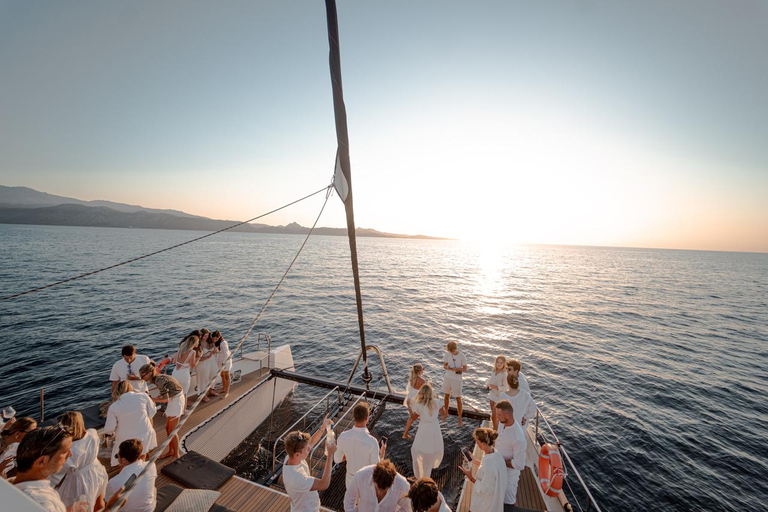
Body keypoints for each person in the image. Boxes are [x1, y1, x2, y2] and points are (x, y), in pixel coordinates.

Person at [15, 427, 123, 512]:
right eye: (65, 451)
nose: (70, 454)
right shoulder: (43, 502)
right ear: (42, 461)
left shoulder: (15, 486)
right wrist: (109, 508)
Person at [49, 412, 108, 510]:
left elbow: (57, 475)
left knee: (81, 507)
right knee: (99, 499)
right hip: (98, 471)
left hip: (81, 482)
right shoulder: (92, 433)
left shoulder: (71, 450)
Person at [283, 417, 337, 512]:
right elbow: (323, 484)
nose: (310, 449)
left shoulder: (290, 457)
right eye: (307, 449)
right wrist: (330, 455)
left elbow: (311, 442)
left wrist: (323, 427)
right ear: (297, 454)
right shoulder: (296, 477)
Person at [104, 381, 158, 466]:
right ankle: (140, 472)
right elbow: (152, 412)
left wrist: (109, 434)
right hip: (144, 433)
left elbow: (109, 429)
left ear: (117, 391)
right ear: (130, 388)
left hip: (125, 440)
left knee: (125, 463)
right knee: (142, 456)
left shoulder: (114, 406)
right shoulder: (143, 396)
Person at [139, 362, 184, 460]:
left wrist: (153, 399)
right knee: (168, 429)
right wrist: (159, 396)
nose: (142, 377)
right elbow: (167, 392)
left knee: (173, 431)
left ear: (150, 373)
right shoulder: (157, 378)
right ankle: (171, 451)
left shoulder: (159, 380)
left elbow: (166, 399)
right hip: (174, 399)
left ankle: (176, 455)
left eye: (143, 375)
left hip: (176, 401)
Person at [334, 402, 385, 487]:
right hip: (366, 481)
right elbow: (376, 468)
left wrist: (349, 454)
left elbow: (337, 459)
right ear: (367, 418)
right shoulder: (372, 442)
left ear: (354, 417)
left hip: (350, 480)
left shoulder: (343, 436)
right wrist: (382, 455)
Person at [458, 427, 507, 512]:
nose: (476, 443)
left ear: (483, 444)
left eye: (477, 441)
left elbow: (485, 490)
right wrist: (475, 461)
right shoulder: (495, 453)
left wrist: (470, 477)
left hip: (486, 505)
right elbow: (488, 466)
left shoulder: (489, 465)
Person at [106, 439, 157, 512]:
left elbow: (108, 504)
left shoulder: (113, 482)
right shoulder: (151, 466)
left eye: (118, 455)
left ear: (123, 460)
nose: (117, 456)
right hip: (149, 509)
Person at [343, 459, 412, 512]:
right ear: (373, 478)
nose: (380, 492)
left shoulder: (403, 485)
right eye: (377, 488)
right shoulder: (361, 476)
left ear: (393, 482)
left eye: (384, 490)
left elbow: (407, 509)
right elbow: (349, 499)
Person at [410, 383, 445, 479]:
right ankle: (426, 475)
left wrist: (410, 407)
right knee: (431, 451)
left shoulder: (420, 405)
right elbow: (444, 413)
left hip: (423, 429)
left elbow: (413, 417)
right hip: (435, 428)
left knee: (416, 450)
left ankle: (418, 476)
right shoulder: (437, 402)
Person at [494, 400, 526, 505]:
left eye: (499, 415)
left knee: (507, 502)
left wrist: (500, 461)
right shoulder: (502, 423)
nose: (496, 417)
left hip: (509, 476)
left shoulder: (518, 438)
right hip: (497, 469)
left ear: (507, 415)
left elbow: (520, 465)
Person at [441, 341, 467, 426]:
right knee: (446, 395)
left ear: (456, 349)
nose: (451, 352)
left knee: (458, 398)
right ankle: (446, 413)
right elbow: (444, 365)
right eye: (450, 351)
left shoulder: (462, 356)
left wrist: (457, 369)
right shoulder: (447, 354)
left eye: (452, 351)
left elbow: (465, 369)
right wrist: (447, 367)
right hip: (448, 377)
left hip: (457, 379)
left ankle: (459, 417)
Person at [172, 334, 199, 399]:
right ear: (194, 343)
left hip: (175, 373)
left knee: (176, 394)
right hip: (183, 375)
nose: (198, 343)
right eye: (197, 342)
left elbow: (174, 362)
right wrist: (199, 358)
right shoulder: (192, 352)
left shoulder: (180, 350)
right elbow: (192, 366)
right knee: (184, 394)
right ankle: (184, 409)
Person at [196, 329, 219, 402]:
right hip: (202, 363)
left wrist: (216, 351)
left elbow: (216, 350)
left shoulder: (210, 342)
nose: (206, 337)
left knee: (214, 375)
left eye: (207, 335)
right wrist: (208, 356)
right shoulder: (198, 344)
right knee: (203, 379)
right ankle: (202, 395)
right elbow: (197, 358)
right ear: (201, 336)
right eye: (204, 336)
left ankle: (211, 390)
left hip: (212, 361)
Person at [403, 364, 425, 439]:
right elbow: (424, 391)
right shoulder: (422, 380)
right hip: (416, 400)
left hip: (410, 398)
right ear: (420, 371)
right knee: (416, 417)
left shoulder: (412, 377)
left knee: (411, 418)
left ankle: (405, 434)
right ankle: (423, 434)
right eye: (423, 369)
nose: (424, 370)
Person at [486, 355, 507, 431]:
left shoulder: (504, 374)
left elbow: (506, 388)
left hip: (498, 396)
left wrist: (496, 387)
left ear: (504, 364)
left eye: (501, 363)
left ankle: (495, 431)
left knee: (495, 415)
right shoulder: (494, 370)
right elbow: (491, 379)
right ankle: (495, 427)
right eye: (498, 362)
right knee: (493, 414)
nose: (499, 364)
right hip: (492, 393)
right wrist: (488, 385)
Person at [212, 331, 232, 398]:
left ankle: (227, 392)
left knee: (227, 376)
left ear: (219, 337)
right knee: (222, 375)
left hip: (226, 360)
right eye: (213, 339)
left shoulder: (223, 343)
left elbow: (226, 354)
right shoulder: (216, 343)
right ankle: (224, 388)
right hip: (220, 360)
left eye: (216, 339)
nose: (214, 340)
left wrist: (224, 362)